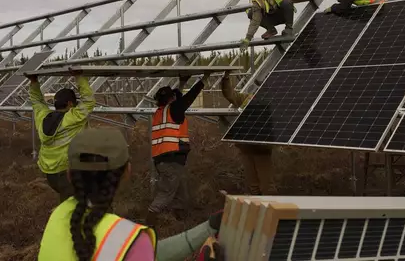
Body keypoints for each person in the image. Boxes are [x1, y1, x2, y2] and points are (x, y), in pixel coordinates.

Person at [38, 126, 223, 261]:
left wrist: (207, 228)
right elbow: (137, 251)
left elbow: (149, 253)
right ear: (127, 171)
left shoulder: (59, 215)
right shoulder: (127, 239)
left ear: (70, 175)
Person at [146, 73, 208, 227]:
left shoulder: (160, 112)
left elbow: (179, 100)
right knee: (166, 193)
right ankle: (149, 223)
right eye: (174, 96)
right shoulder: (173, 109)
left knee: (179, 188)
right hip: (171, 159)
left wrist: (181, 82)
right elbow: (189, 98)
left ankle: (180, 220)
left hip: (163, 159)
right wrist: (204, 80)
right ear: (170, 99)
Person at [27, 69, 96, 202]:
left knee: (71, 201)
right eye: (74, 104)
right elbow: (88, 101)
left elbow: (37, 102)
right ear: (70, 104)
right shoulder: (73, 118)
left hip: (50, 173)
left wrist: (33, 82)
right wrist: (78, 77)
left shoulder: (43, 117)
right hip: (67, 173)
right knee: (72, 208)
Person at [220, 71, 278, 195]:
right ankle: (256, 210)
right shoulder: (247, 99)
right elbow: (229, 94)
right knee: (253, 185)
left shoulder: (274, 102)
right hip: (246, 147)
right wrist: (225, 78)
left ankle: (271, 210)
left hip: (262, 148)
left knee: (267, 185)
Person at [240, 0, 315, 51]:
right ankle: (271, 29)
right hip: (271, 18)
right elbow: (255, 20)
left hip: (283, 15)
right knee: (251, 13)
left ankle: (288, 29)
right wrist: (248, 38)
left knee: (286, 2)